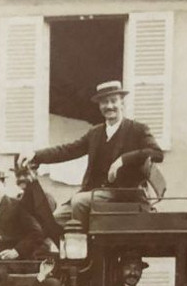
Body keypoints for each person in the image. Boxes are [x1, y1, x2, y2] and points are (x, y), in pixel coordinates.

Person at [24, 79, 164, 228]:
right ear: (99, 106)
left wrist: (122, 160)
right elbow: (68, 150)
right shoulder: (95, 133)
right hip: (94, 193)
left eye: (113, 101)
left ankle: (86, 249)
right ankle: (67, 250)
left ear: (122, 102)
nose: (109, 106)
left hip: (125, 196)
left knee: (80, 202)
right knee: (55, 220)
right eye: (104, 102)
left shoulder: (137, 129)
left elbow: (156, 153)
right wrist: (35, 155)